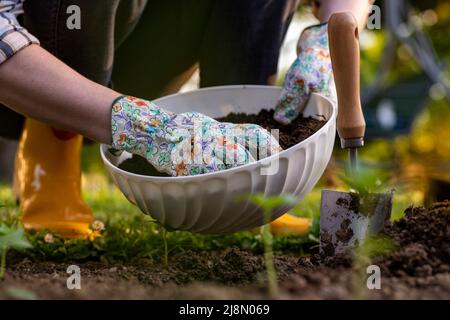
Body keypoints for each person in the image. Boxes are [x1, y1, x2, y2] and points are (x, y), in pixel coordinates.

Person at [0, 0, 372, 237]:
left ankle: (252, 171)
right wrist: (145, 127)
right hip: (39, 72)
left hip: (142, 59)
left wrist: (328, 38)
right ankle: (51, 160)